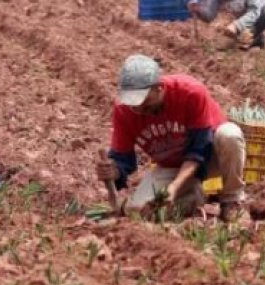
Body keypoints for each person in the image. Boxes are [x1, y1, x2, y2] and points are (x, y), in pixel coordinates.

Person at [96, 54, 246, 221]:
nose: (138, 108)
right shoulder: (124, 110)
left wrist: (174, 187)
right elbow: (123, 158)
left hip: (211, 156)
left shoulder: (190, 92)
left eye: (144, 101)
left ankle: (231, 200)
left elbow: (199, 148)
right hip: (172, 166)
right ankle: (193, 196)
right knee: (140, 211)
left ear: (159, 87)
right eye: (133, 103)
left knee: (230, 134)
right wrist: (114, 170)